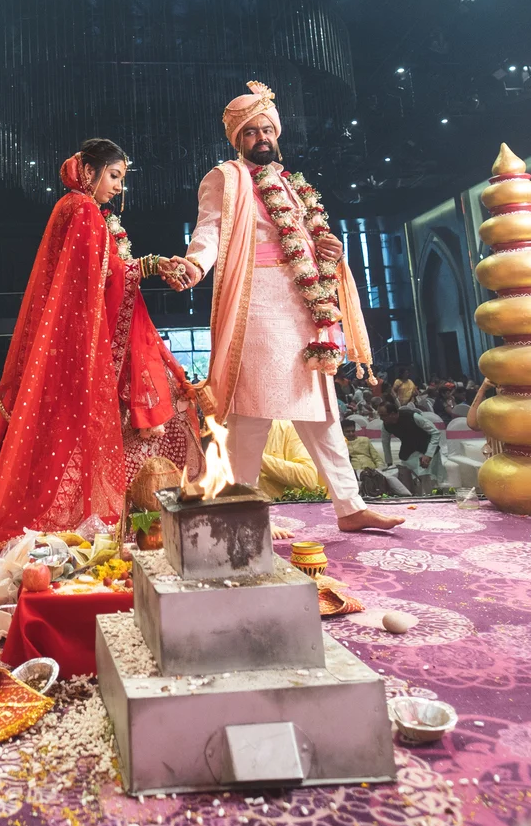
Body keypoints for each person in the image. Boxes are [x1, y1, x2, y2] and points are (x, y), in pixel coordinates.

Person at [0, 139, 200, 571]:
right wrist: (151, 265)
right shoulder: (82, 209)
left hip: (72, 345)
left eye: (122, 178)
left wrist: (149, 265)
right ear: (88, 170)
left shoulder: (78, 209)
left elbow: (101, 275)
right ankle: (88, 521)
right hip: (77, 349)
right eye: (114, 176)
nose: (119, 188)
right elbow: (94, 281)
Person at [170, 83, 402, 533]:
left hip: (304, 306)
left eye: (266, 130)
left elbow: (307, 242)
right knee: (251, 408)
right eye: (251, 132)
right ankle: (239, 509)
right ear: (238, 140)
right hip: (257, 303)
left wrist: (330, 250)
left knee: (321, 408)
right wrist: (195, 265)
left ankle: (350, 506)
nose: (261, 138)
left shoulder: (292, 184)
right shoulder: (225, 177)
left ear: (277, 135)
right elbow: (210, 231)